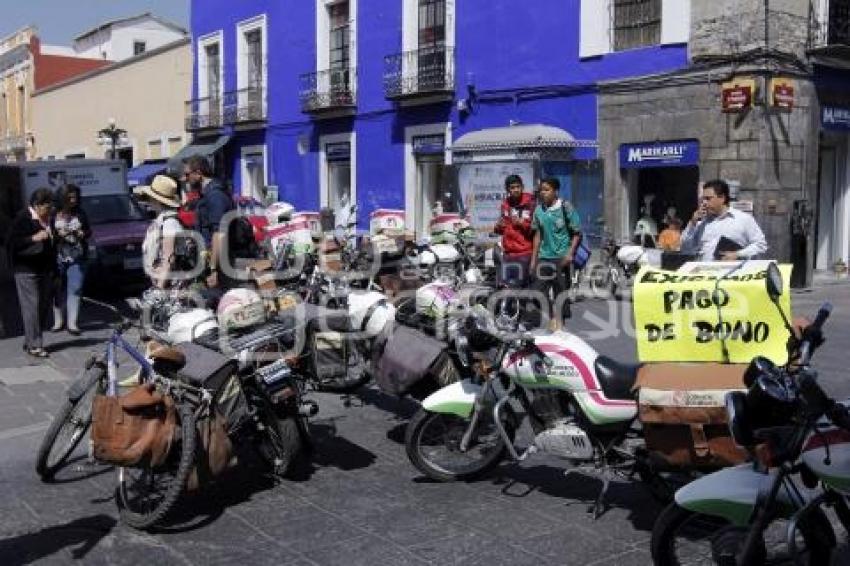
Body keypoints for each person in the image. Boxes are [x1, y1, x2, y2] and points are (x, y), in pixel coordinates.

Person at [6, 188, 56, 358]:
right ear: (36, 205)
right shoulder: (23, 219)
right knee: (31, 308)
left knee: (42, 308)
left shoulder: (49, 219)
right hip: (25, 270)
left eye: (51, 208)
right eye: (46, 208)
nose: (49, 211)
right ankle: (35, 345)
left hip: (45, 269)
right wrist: (33, 238)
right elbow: (11, 243)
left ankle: (30, 340)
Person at [531, 177, 582, 331]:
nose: (543, 193)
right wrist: (534, 259)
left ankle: (560, 328)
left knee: (561, 295)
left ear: (555, 191)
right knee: (537, 292)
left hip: (561, 259)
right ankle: (551, 319)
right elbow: (538, 235)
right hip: (543, 257)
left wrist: (569, 254)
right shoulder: (539, 210)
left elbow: (577, 233)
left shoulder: (566, 207)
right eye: (541, 190)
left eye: (547, 190)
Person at [680, 179, 768, 261]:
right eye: (703, 199)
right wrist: (692, 223)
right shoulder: (701, 223)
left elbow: (761, 245)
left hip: (732, 273)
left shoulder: (743, 219)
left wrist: (738, 254)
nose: (704, 203)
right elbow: (685, 248)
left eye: (708, 198)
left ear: (722, 198)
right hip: (705, 272)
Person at [182, 155, 232, 288]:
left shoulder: (215, 196)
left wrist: (214, 270)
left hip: (221, 266)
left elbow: (218, 234)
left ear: (198, 173)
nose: (185, 179)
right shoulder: (206, 195)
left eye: (187, 174)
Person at [50, 184, 91, 335]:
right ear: (63, 198)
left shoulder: (80, 213)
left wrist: (82, 233)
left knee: (75, 288)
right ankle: (58, 321)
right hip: (58, 256)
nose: (73, 200)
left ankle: (72, 323)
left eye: (75, 197)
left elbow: (88, 231)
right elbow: (49, 233)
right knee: (57, 288)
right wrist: (57, 234)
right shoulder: (54, 213)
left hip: (77, 256)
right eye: (70, 197)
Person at [136, 175, 184, 289]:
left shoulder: (169, 223)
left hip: (170, 286)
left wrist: (159, 288)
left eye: (149, 197)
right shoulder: (162, 221)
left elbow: (169, 259)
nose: (147, 200)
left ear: (156, 200)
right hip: (164, 282)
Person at [493, 174, 534, 287]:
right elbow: (503, 228)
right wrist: (498, 227)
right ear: (507, 190)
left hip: (524, 252)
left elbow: (536, 229)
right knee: (505, 285)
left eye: (518, 186)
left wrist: (522, 223)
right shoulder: (505, 204)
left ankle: (524, 305)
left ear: (522, 187)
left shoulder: (531, 203)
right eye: (512, 187)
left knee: (521, 286)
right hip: (508, 253)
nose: (515, 190)